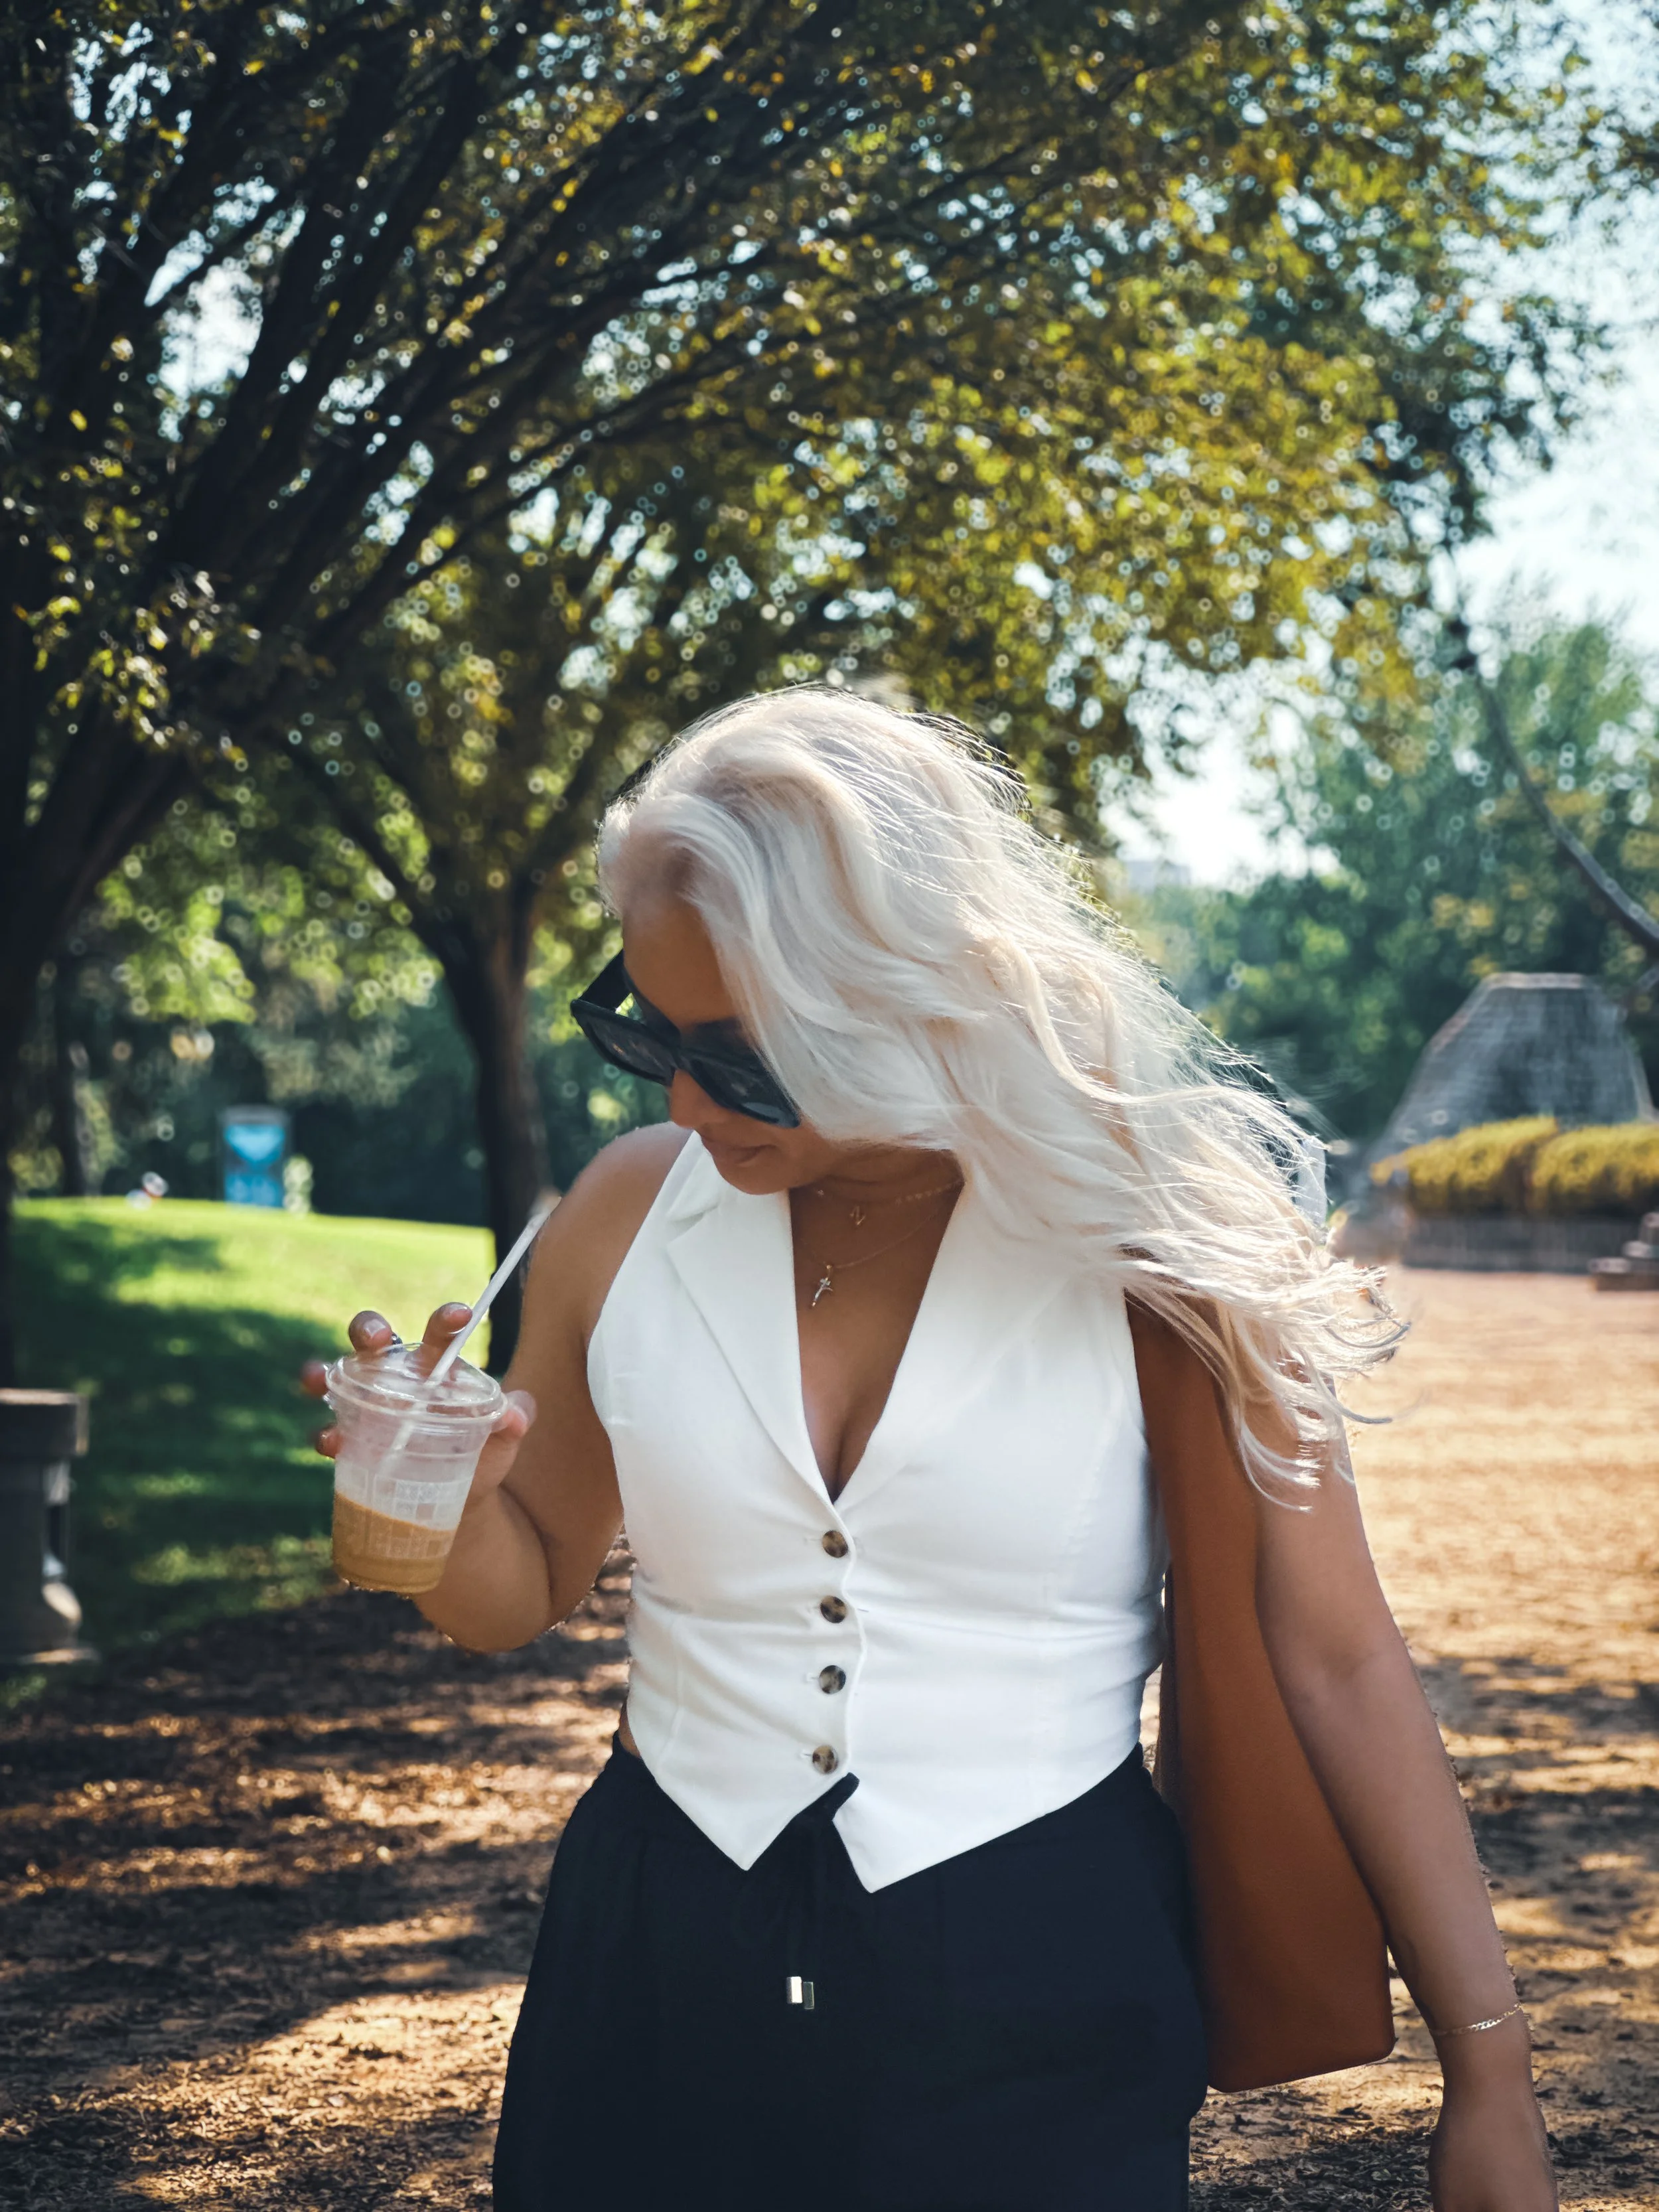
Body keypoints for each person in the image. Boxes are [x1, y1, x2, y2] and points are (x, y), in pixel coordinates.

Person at [307, 691, 1556, 2211]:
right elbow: (526, 1585)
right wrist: (436, 1502)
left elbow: (1339, 1653)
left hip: (1036, 1978)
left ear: (899, 993)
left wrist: (1484, 2068)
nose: (689, 1103)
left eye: (744, 1059)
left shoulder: (1163, 1243)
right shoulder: (621, 1219)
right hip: (652, 1967)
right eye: (649, 1038)